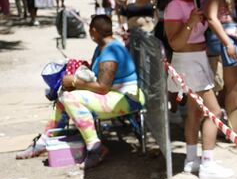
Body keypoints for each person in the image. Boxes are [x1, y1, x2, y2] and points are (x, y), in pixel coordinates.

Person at [16, 15, 145, 168]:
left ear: (94, 31)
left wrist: (75, 82)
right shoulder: (102, 46)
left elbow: (103, 87)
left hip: (126, 99)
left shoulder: (111, 52)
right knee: (63, 98)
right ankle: (45, 141)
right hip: (114, 95)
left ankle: (95, 148)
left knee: (70, 98)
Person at [164, 0, 233, 179]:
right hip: (188, 63)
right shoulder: (175, 6)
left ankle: (191, 160)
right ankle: (208, 163)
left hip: (199, 61)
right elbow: (175, 43)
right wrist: (191, 22)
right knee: (215, 113)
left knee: (195, 113)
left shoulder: (195, 3)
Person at [202, 0, 237, 116]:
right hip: (222, 38)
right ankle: (231, 124)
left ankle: (222, 121)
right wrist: (228, 43)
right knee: (230, 86)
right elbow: (212, 18)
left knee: (223, 86)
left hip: (219, 38)